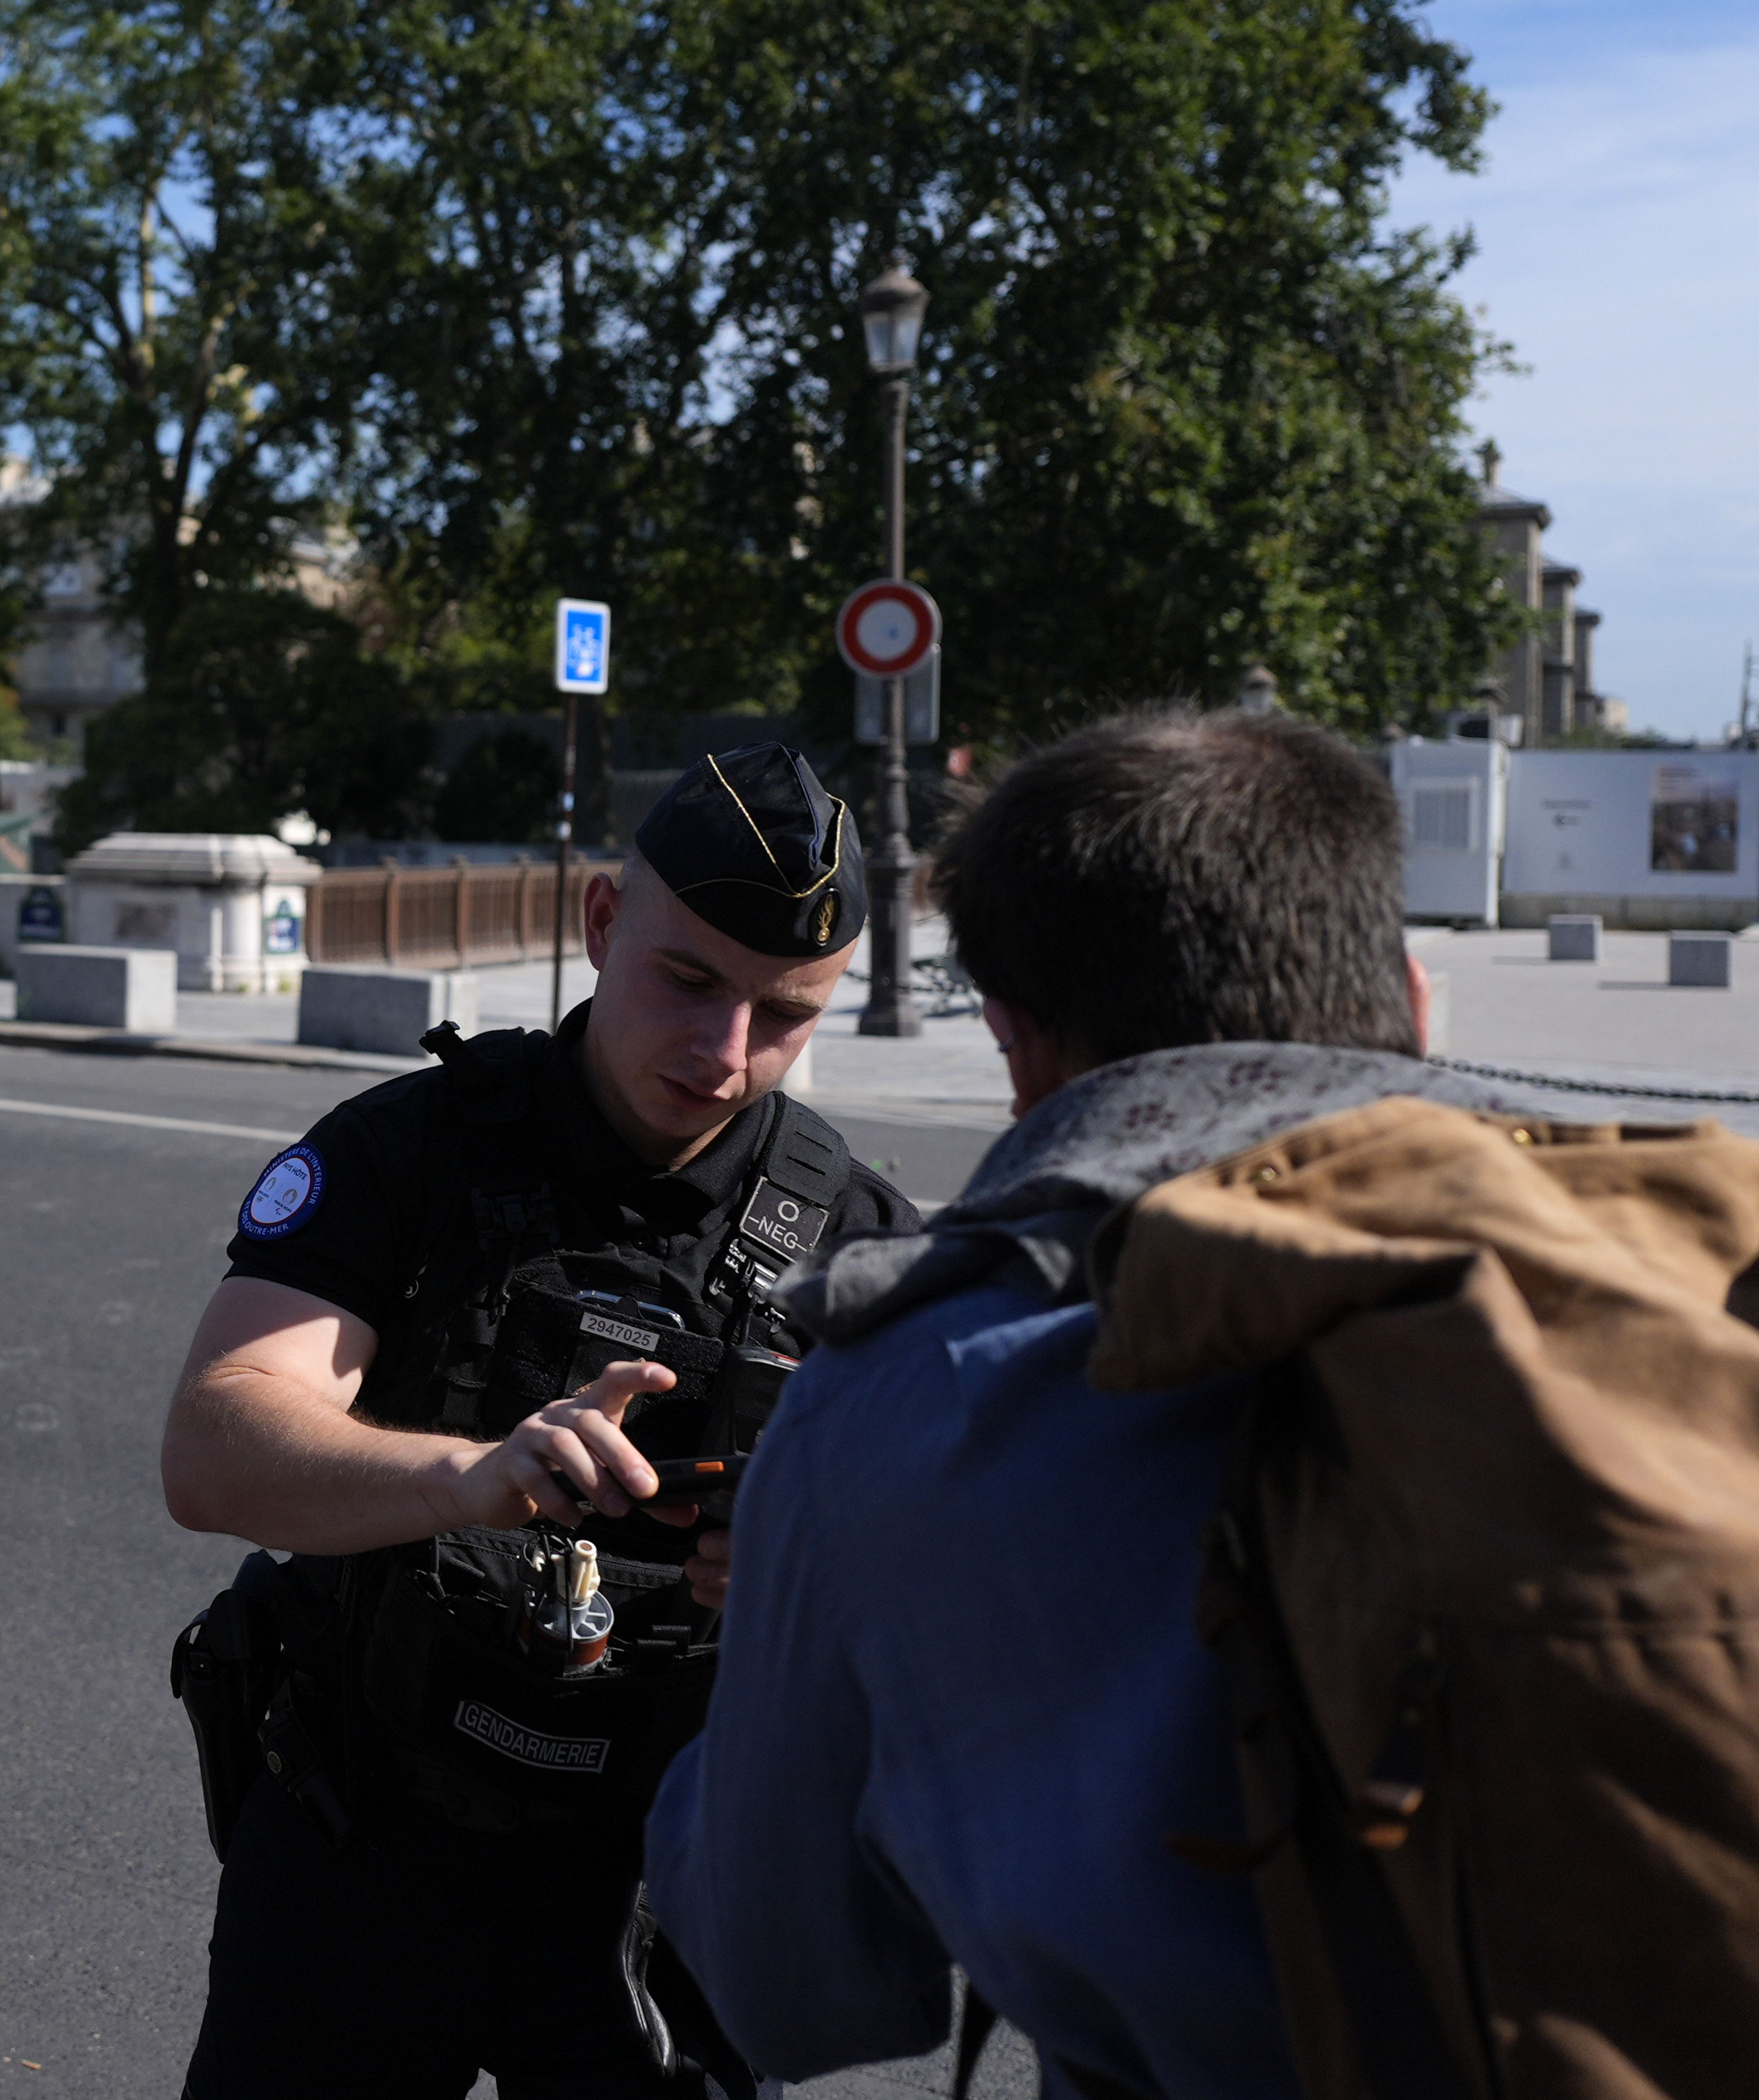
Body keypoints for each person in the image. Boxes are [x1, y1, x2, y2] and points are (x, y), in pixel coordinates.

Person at [643, 710, 1504, 2100]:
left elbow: (788, 1983)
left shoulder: (912, 1388)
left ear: (1017, 1044)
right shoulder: (1694, 1284)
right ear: (1408, 996)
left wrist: (797, 1627)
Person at [161, 743, 918, 2099]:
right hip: (365, 1849)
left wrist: (823, 1577)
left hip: (665, 1891)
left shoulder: (863, 1244)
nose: (725, 1053)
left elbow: (968, 1613)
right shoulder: (411, 1150)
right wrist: (472, 1472)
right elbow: (216, 1445)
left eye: (784, 1012)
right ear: (602, 923)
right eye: (689, 980)